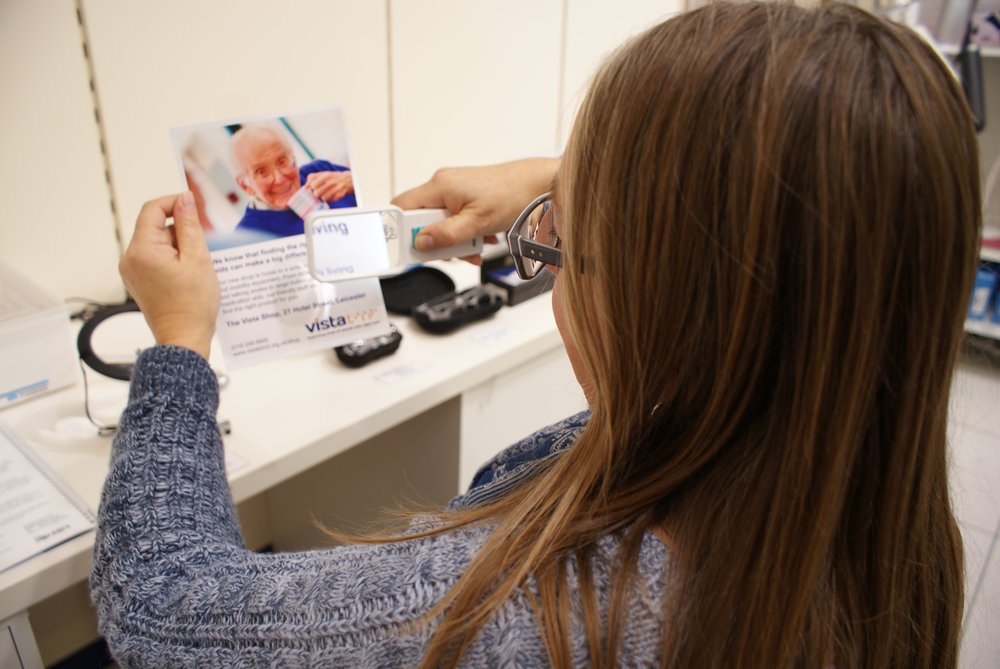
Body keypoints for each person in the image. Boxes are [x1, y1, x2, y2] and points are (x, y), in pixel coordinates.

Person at [92, 3, 979, 666]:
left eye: (564, 244)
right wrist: (571, 178)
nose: (547, 237)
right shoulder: (874, 503)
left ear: (666, 301)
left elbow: (162, 608)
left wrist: (176, 343)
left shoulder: (518, 616)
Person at [231, 124, 357, 238]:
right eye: (261, 172)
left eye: (282, 162)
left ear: (294, 159)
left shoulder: (321, 170)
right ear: (245, 186)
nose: (279, 179)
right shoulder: (246, 236)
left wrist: (353, 182)